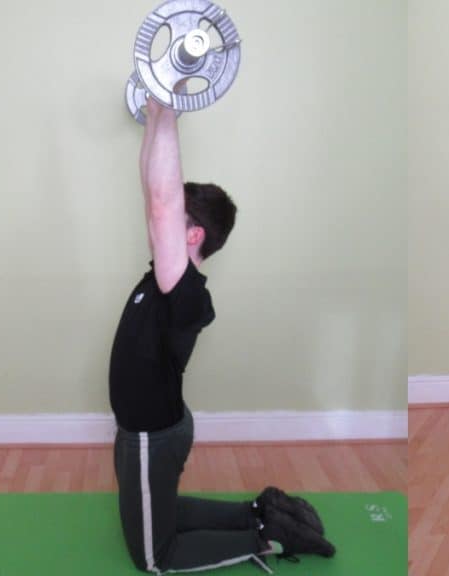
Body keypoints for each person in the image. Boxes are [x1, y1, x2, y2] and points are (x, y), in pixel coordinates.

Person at [109, 98, 335, 573]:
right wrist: (153, 117)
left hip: (153, 433)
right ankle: (259, 511)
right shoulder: (165, 276)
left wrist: (169, 111)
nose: (158, 226)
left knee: (154, 556)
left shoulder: (184, 293)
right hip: (147, 429)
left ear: (191, 236)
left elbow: (160, 201)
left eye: (172, 224)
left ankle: (268, 537)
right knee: (157, 513)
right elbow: (152, 192)